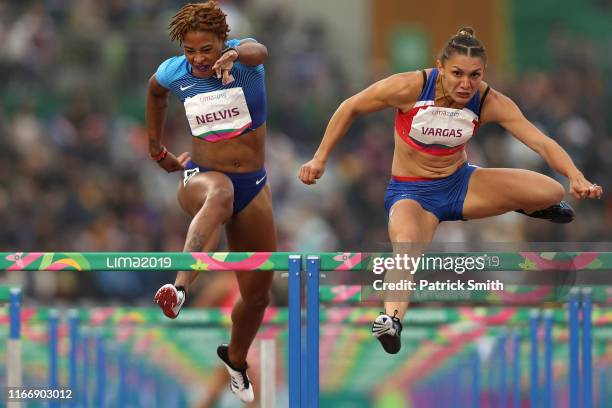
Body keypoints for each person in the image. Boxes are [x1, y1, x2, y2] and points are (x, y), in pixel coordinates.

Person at [298, 27, 603, 354]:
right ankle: (391, 320)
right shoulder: (411, 86)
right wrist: (320, 158)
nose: (465, 84)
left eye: (475, 75)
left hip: (460, 184)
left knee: (551, 190)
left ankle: (530, 205)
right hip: (412, 194)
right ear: (440, 67)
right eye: (457, 73)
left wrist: (575, 175)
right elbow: (350, 106)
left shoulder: (488, 100)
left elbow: (540, 141)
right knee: (406, 249)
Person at [147, 1, 277, 402]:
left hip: (253, 184)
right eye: (190, 51)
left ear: (223, 41)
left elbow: (260, 51)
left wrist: (234, 55)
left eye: (207, 49)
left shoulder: (244, 58)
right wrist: (157, 149)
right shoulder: (176, 71)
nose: (200, 59)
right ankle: (180, 288)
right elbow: (155, 92)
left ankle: (236, 359)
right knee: (219, 192)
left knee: (257, 295)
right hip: (200, 179)